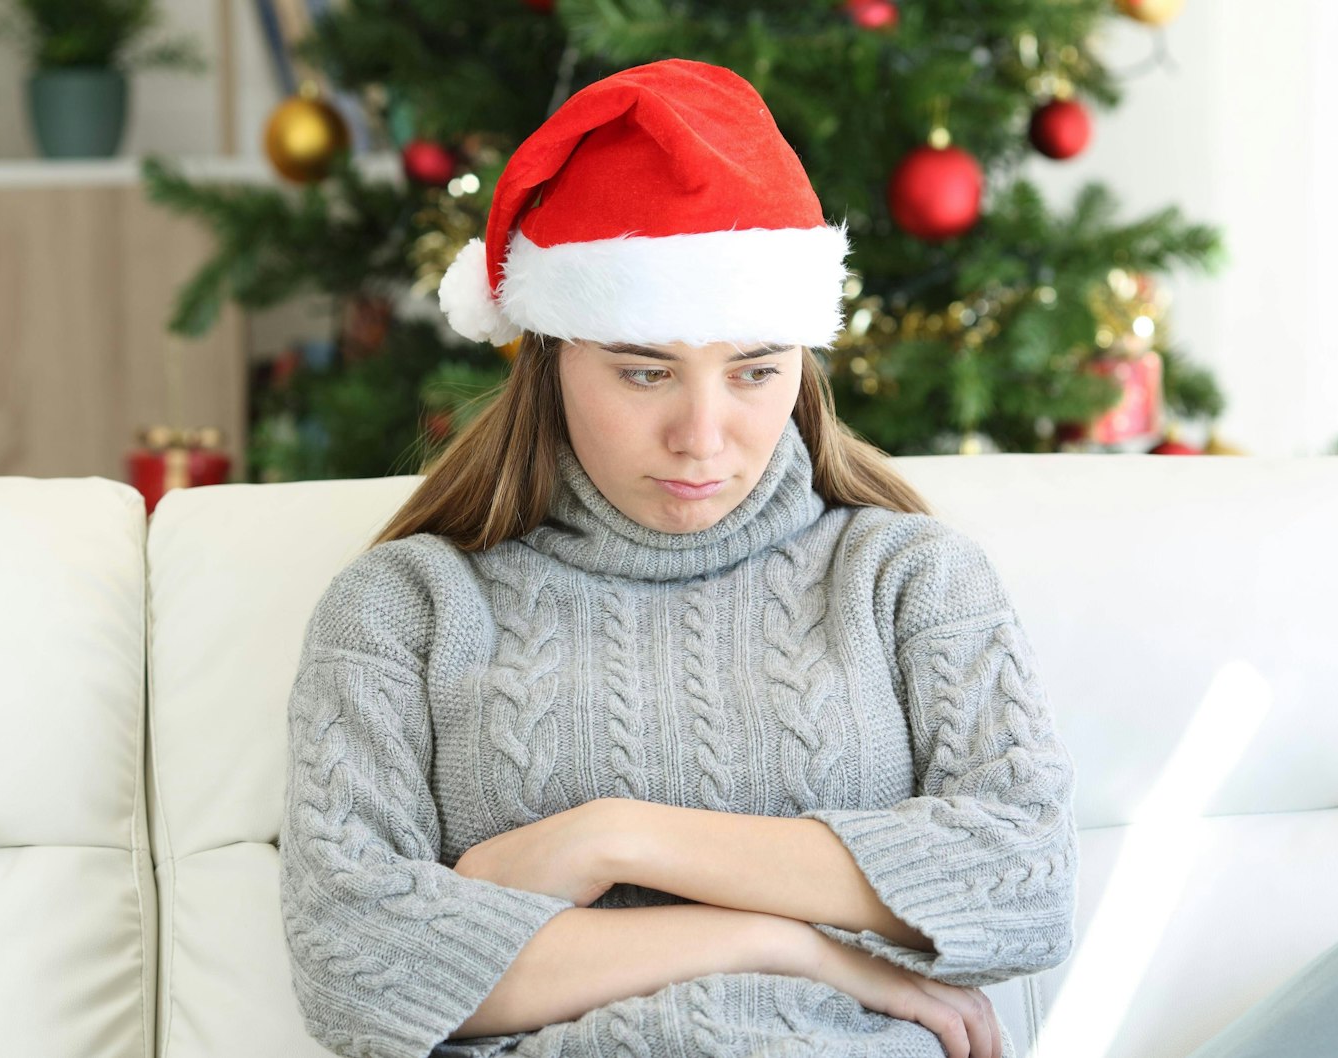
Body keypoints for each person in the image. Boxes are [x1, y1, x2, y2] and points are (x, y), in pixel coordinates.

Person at [277, 58, 1080, 1058]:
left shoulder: (907, 576)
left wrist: (611, 836)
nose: (702, 435)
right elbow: (356, 967)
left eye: (753, 370)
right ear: (550, 359)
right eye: (644, 371)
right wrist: (791, 944)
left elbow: (1024, 882)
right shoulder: (403, 606)